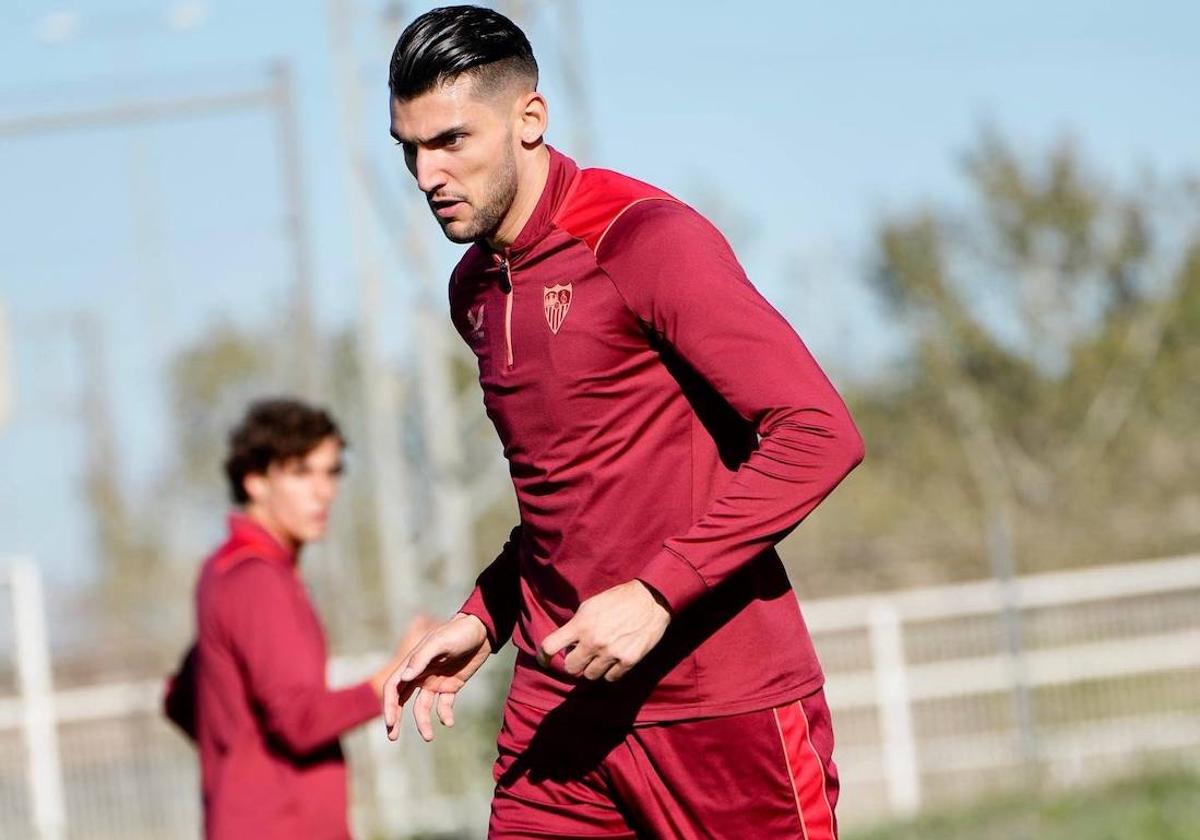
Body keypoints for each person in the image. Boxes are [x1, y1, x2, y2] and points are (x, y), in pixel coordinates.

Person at [382, 6, 864, 838]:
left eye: (452, 141)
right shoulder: (474, 293)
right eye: (410, 150)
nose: (428, 175)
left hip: (719, 709)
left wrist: (657, 593)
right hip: (560, 712)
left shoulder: (644, 240)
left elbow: (819, 432)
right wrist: (484, 618)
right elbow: (567, 497)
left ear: (530, 119)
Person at [163, 398, 430, 839]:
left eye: (331, 471)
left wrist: (238, 760)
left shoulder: (224, 570)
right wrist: (394, 676)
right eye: (301, 472)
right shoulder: (257, 580)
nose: (323, 491)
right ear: (255, 481)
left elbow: (181, 697)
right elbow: (300, 723)